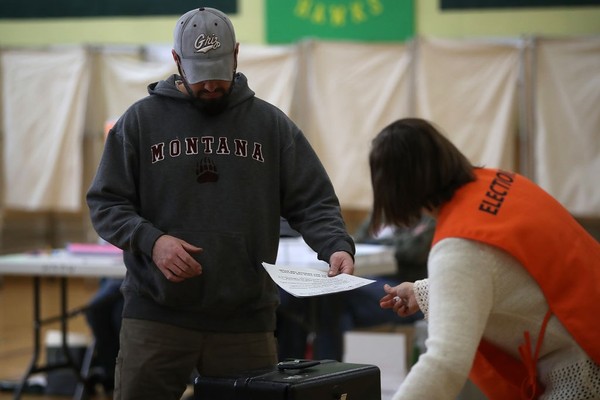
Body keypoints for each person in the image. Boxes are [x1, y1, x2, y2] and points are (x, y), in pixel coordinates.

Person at [86, 7, 355, 399]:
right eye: (200, 77)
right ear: (177, 61)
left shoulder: (270, 125)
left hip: (245, 322)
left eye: (218, 74)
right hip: (156, 318)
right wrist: (152, 241)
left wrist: (335, 245)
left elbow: (313, 201)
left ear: (236, 55)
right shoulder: (140, 123)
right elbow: (106, 203)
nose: (211, 86)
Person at [370, 118, 600, 400]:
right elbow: (509, 271)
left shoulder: (458, 244)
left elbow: (443, 364)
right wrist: (423, 291)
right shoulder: (502, 181)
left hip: (583, 367)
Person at [276, 216, 431, 362]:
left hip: (404, 288)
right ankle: (297, 367)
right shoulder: (382, 211)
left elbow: (414, 251)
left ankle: (326, 367)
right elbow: (356, 241)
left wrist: (378, 243)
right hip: (368, 280)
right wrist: (390, 243)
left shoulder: (427, 213)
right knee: (305, 298)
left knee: (330, 296)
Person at [84, 277, 123, 394]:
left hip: (133, 279)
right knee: (98, 312)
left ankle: (113, 376)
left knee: (117, 315)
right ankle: (111, 375)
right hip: (114, 279)